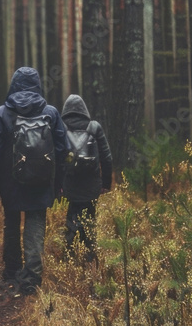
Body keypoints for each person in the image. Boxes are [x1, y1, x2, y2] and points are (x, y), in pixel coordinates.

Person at [0, 67, 67, 295]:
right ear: (38, 85)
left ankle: (11, 272)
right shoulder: (50, 112)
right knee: (35, 224)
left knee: (11, 223)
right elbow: (63, 149)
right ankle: (31, 278)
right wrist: (57, 182)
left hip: (10, 180)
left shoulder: (2, 113)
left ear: (14, 84)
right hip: (41, 181)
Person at [60, 94, 113, 262]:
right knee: (89, 220)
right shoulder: (94, 127)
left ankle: (68, 258)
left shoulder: (61, 127)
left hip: (70, 184)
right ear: (84, 109)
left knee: (71, 219)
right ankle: (89, 260)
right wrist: (105, 183)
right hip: (91, 185)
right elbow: (107, 157)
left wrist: (58, 185)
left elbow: (57, 157)